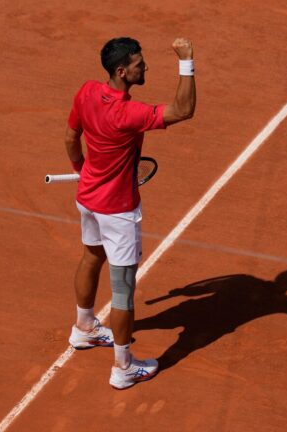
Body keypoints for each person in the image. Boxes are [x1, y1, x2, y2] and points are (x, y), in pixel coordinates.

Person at [64, 36, 196, 389]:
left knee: (91, 257)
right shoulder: (129, 114)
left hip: (87, 198)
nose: (145, 67)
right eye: (139, 64)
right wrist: (186, 61)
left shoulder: (87, 91)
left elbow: (69, 138)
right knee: (122, 290)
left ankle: (84, 328)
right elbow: (183, 110)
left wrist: (81, 170)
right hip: (118, 212)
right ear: (122, 72)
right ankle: (123, 367)